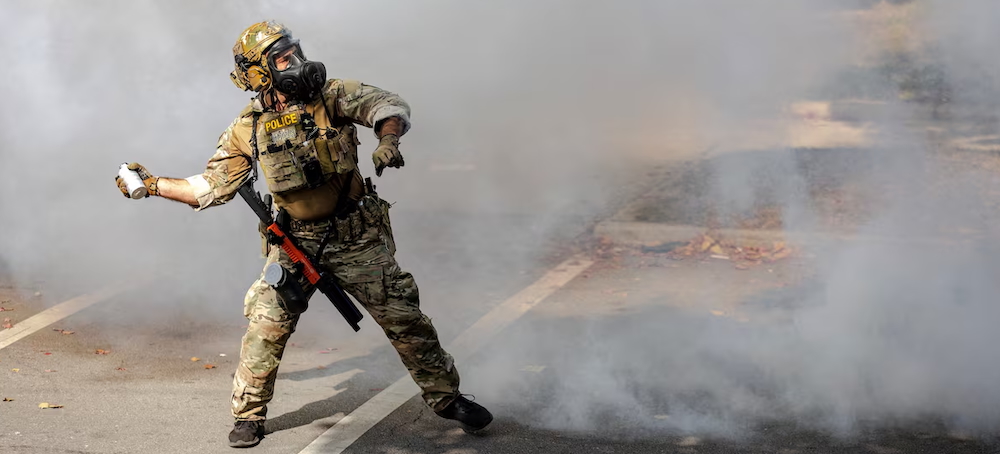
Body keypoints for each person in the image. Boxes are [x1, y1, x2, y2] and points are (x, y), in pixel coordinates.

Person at [116, 20, 492, 449]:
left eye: (294, 52)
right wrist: (152, 185)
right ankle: (248, 416)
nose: (295, 62)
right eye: (281, 58)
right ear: (259, 74)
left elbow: (387, 105)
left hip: (356, 237)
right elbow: (209, 186)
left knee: (405, 318)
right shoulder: (247, 128)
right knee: (265, 325)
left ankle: (447, 398)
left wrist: (389, 140)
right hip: (295, 243)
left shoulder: (330, 96)